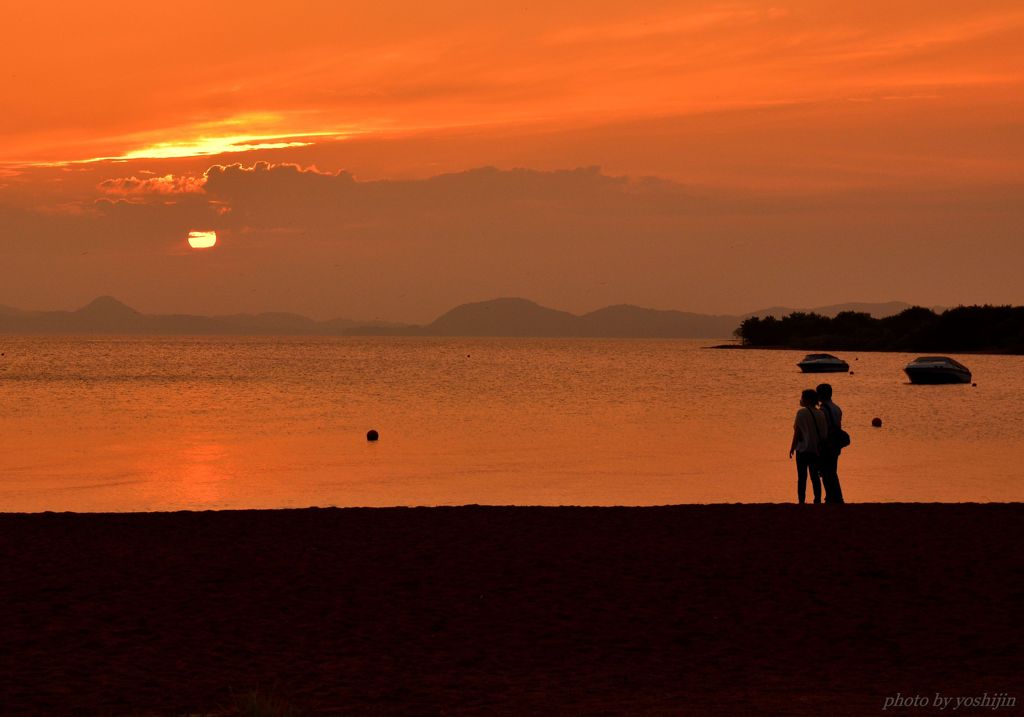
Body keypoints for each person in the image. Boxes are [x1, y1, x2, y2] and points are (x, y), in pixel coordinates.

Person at [789, 388, 829, 504]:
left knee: (802, 478)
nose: (801, 400)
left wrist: (792, 447)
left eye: (802, 397)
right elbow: (824, 434)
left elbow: (797, 431)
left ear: (807, 399)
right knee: (815, 477)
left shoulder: (801, 413)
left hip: (802, 450)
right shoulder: (821, 413)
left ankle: (801, 501)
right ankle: (817, 500)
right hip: (815, 450)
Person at [816, 383, 846, 503]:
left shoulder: (823, 409)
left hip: (827, 443)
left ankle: (831, 497)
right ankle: (836, 497)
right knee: (832, 470)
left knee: (825, 471)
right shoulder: (836, 408)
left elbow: (823, 429)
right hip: (836, 443)